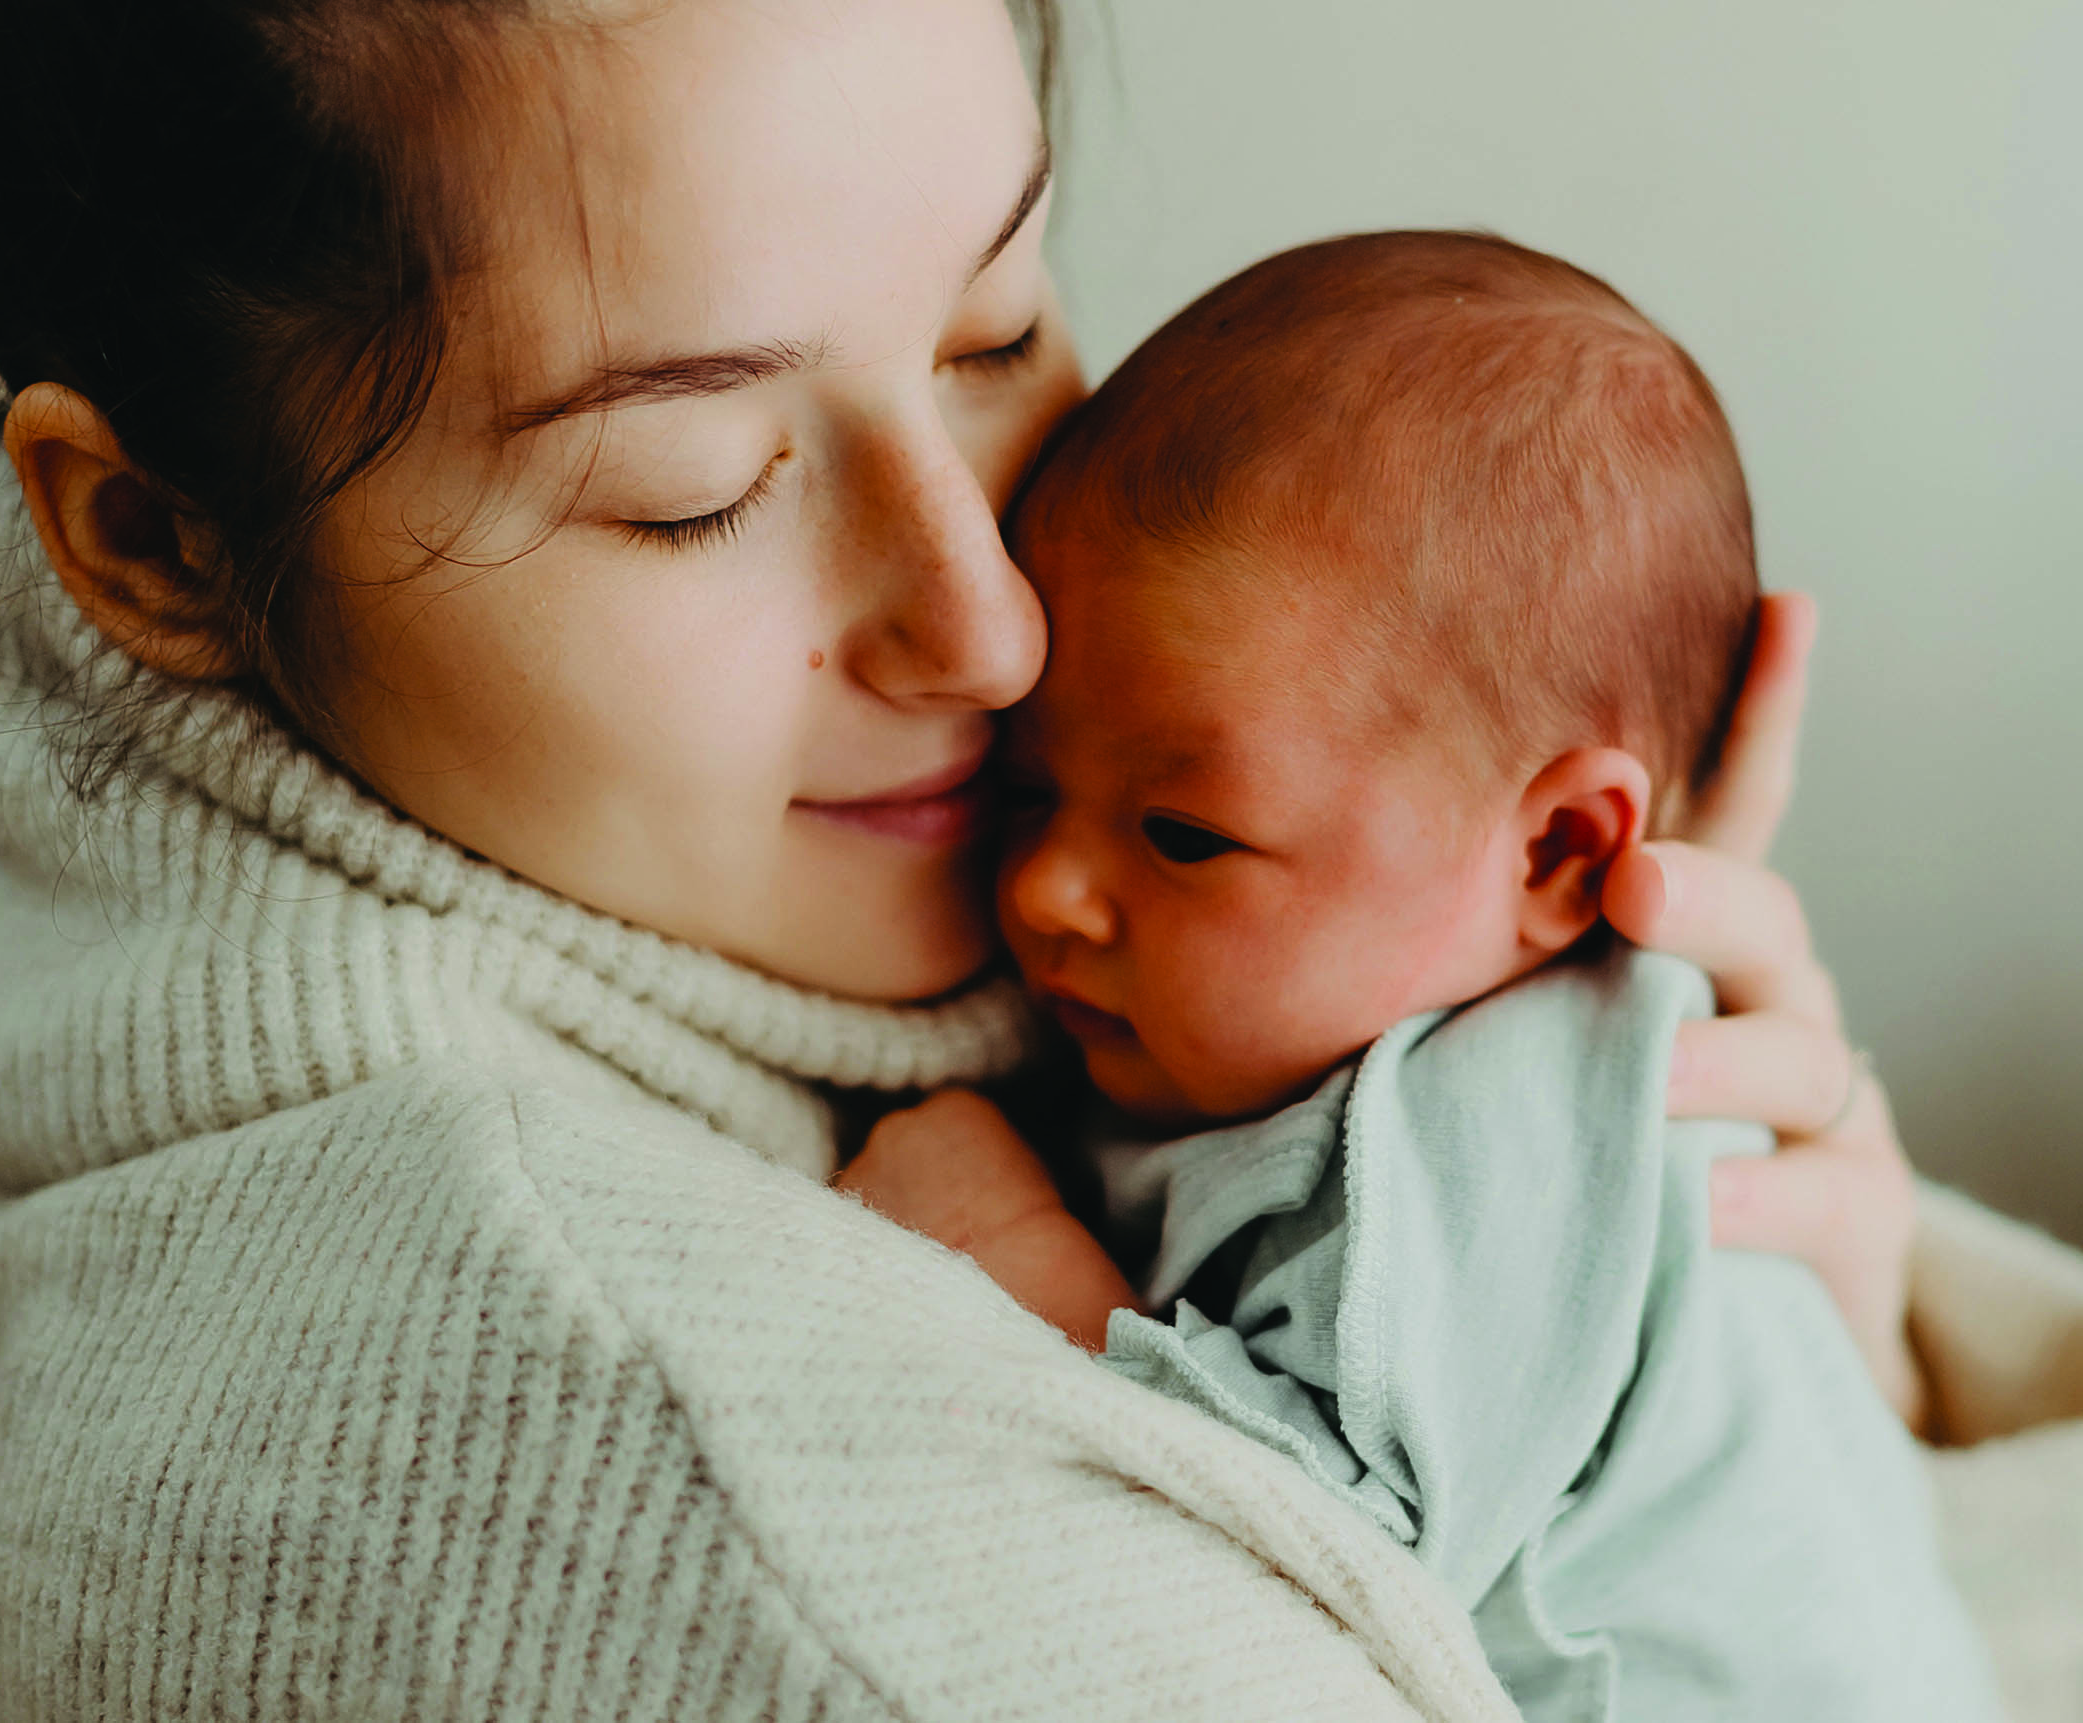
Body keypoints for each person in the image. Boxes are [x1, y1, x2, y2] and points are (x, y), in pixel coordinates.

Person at [0, 1, 2083, 1719]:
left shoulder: (865, 962)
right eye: (697, 481)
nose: (994, 622)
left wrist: (1817, 1357)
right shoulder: (812, 1570)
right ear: (151, 538)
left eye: (996, 327)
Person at [842, 228, 2010, 1722]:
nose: (1042, 887)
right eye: (1024, 788)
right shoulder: (1344, 1034)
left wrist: (1014, 1258)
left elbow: (1303, 1565)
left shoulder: (1492, 1131)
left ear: (1559, 852)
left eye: (1184, 833)